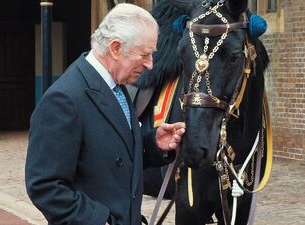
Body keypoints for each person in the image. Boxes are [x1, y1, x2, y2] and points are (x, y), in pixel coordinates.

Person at [25, 3, 185, 225]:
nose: (150, 65)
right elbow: (45, 186)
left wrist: (152, 144)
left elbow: (109, 156)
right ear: (116, 48)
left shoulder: (116, 86)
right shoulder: (63, 100)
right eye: (145, 55)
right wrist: (101, 221)